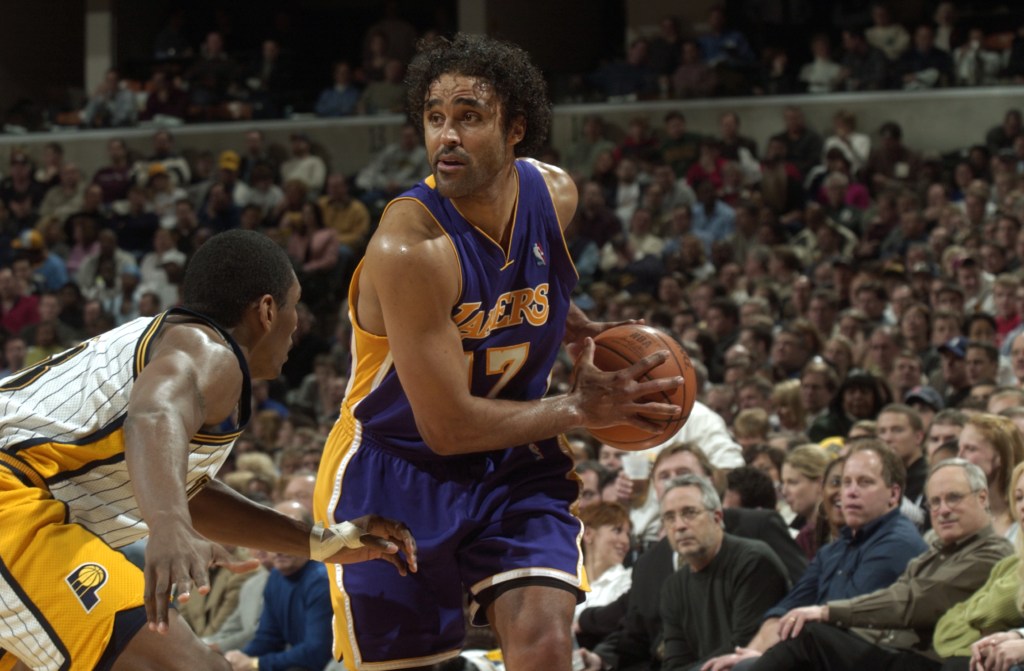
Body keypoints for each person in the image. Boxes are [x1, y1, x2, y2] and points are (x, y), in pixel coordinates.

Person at [312, 33, 684, 671]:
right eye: (435, 118)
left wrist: (579, 328)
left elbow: (525, 284)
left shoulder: (555, 195)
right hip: (397, 471)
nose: (446, 136)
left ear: (516, 129)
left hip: (513, 459)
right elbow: (448, 427)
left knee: (545, 647)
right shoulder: (409, 246)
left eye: (469, 117)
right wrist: (578, 409)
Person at [0, 229, 416, 670]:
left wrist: (321, 544)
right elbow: (152, 415)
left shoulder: (177, 358)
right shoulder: (208, 350)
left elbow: (185, 489)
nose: (300, 322)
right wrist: (168, 523)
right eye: (295, 304)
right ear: (268, 310)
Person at [744, 458, 1013, 671]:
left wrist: (828, 612)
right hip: (891, 653)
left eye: (953, 498)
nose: (942, 510)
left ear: (982, 498)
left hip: (928, 661)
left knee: (811, 639)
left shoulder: (991, 554)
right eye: (934, 502)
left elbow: (911, 601)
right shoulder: (935, 552)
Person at [701, 441, 928, 671]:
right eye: (845, 482)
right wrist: (753, 653)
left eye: (865, 482)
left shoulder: (898, 543)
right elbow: (788, 609)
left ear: (894, 494)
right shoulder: (834, 549)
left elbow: (842, 623)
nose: (850, 491)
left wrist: (763, 659)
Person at [659, 474, 791, 670]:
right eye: (670, 517)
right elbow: (674, 663)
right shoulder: (673, 586)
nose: (679, 526)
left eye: (690, 513)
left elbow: (743, 649)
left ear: (717, 517)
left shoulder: (753, 561)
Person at [222, 500, 334, 671]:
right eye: (273, 536)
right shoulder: (275, 577)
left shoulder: (321, 580)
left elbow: (316, 652)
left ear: (312, 537)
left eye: (289, 536)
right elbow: (268, 638)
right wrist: (236, 661)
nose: (279, 547)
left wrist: (254, 664)